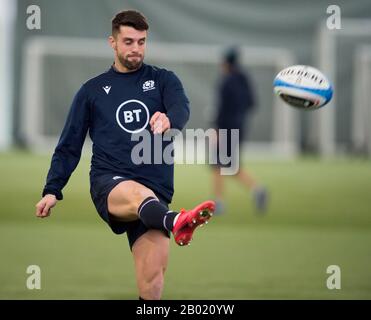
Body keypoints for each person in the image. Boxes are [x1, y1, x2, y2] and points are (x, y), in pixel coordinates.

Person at [35, 10, 215, 300]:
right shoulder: (91, 91)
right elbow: (69, 143)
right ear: (113, 42)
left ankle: (170, 219)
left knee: (152, 283)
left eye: (142, 42)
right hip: (110, 182)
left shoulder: (163, 80)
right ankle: (175, 221)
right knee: (136, 193)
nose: (136, 48)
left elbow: (180, 106)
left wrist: (169, 120)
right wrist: (52, 189)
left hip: (156, 192)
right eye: (129, 41)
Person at [211, 47, 268, 214]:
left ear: (226, 63)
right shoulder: (244, 79)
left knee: (219, 165)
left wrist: (217, 129)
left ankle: (219, 203)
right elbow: (252, 103)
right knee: (228, 165)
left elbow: (221, 108)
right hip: (240, 126)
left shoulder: (226, 81)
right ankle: (257, 189)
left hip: (225, 128)